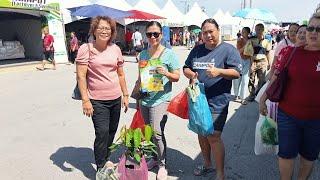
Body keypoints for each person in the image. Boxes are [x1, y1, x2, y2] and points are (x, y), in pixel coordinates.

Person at [259, 12, 320, 180]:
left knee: (309, 156)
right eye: (311, 28)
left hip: (316, 120)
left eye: (319, 29)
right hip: (288, 115)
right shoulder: (292, 53)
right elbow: (277, 77)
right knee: (286, 154)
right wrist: (263, 99)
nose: (314, 32)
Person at [183, 18, 241, 180]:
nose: (208, 35)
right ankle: (207, 164)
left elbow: (237, 73)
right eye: (205, 32)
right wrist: (191, 74)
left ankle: (220, 173)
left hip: (218, 101)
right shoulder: (197, 50)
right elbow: (186, 67)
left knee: (214, 135)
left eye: (211, 31)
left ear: (218, 31)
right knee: (202, 132)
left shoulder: (228, 50)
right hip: (198, 99)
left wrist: (219, 72)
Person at [75, 16, 129, 172]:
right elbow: (81, 76)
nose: (104, 31)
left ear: (112, 32)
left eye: (108, 28)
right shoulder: (86, 48)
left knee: (111, 131)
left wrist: (125, 95)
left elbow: (120, 74)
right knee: (102, 133)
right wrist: (85, 100)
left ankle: (105, 159)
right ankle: (100, 166)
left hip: (115, 97)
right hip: (97, 100)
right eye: (101, 28)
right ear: (94, 30)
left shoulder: (116, 49)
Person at [136, 21, 180, 180]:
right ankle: (154, 159)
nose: (153, 37)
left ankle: (163, 165)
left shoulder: (169, 54)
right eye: (149, 34)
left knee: (157, 131)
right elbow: (140, 77)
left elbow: (177, 76)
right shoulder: (143, 54)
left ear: (161, 35)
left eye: (156, 34)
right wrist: (137, 98)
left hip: (161, 99)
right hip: (145, 99)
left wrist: (166, 73)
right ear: (145, 36)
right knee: (149, 132)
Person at [245, 23, 272, 102]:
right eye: (256, 30)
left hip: (263, 62)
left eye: (259, 29)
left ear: (263, 30)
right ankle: (251, 94)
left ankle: (259, 94)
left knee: (262, 80)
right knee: (251, 79)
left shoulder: (267, 41)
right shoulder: (252, 39)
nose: (257, 31)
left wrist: (269, 62)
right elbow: (249, 52)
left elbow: (268, 52)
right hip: (253, 61)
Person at [232, 27, 251, 105]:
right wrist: (245, 45)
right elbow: (238, 51)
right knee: (237, 79)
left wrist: (251, 63)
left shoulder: (251, 41)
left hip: (247, 61)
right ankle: (236, 95)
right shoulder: (240, 40)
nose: (242, 33)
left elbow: (251, 53)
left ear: (248, 33)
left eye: (244, 32)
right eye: (242, 32)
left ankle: (242, 97)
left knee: (245, 80)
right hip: (239, 60)